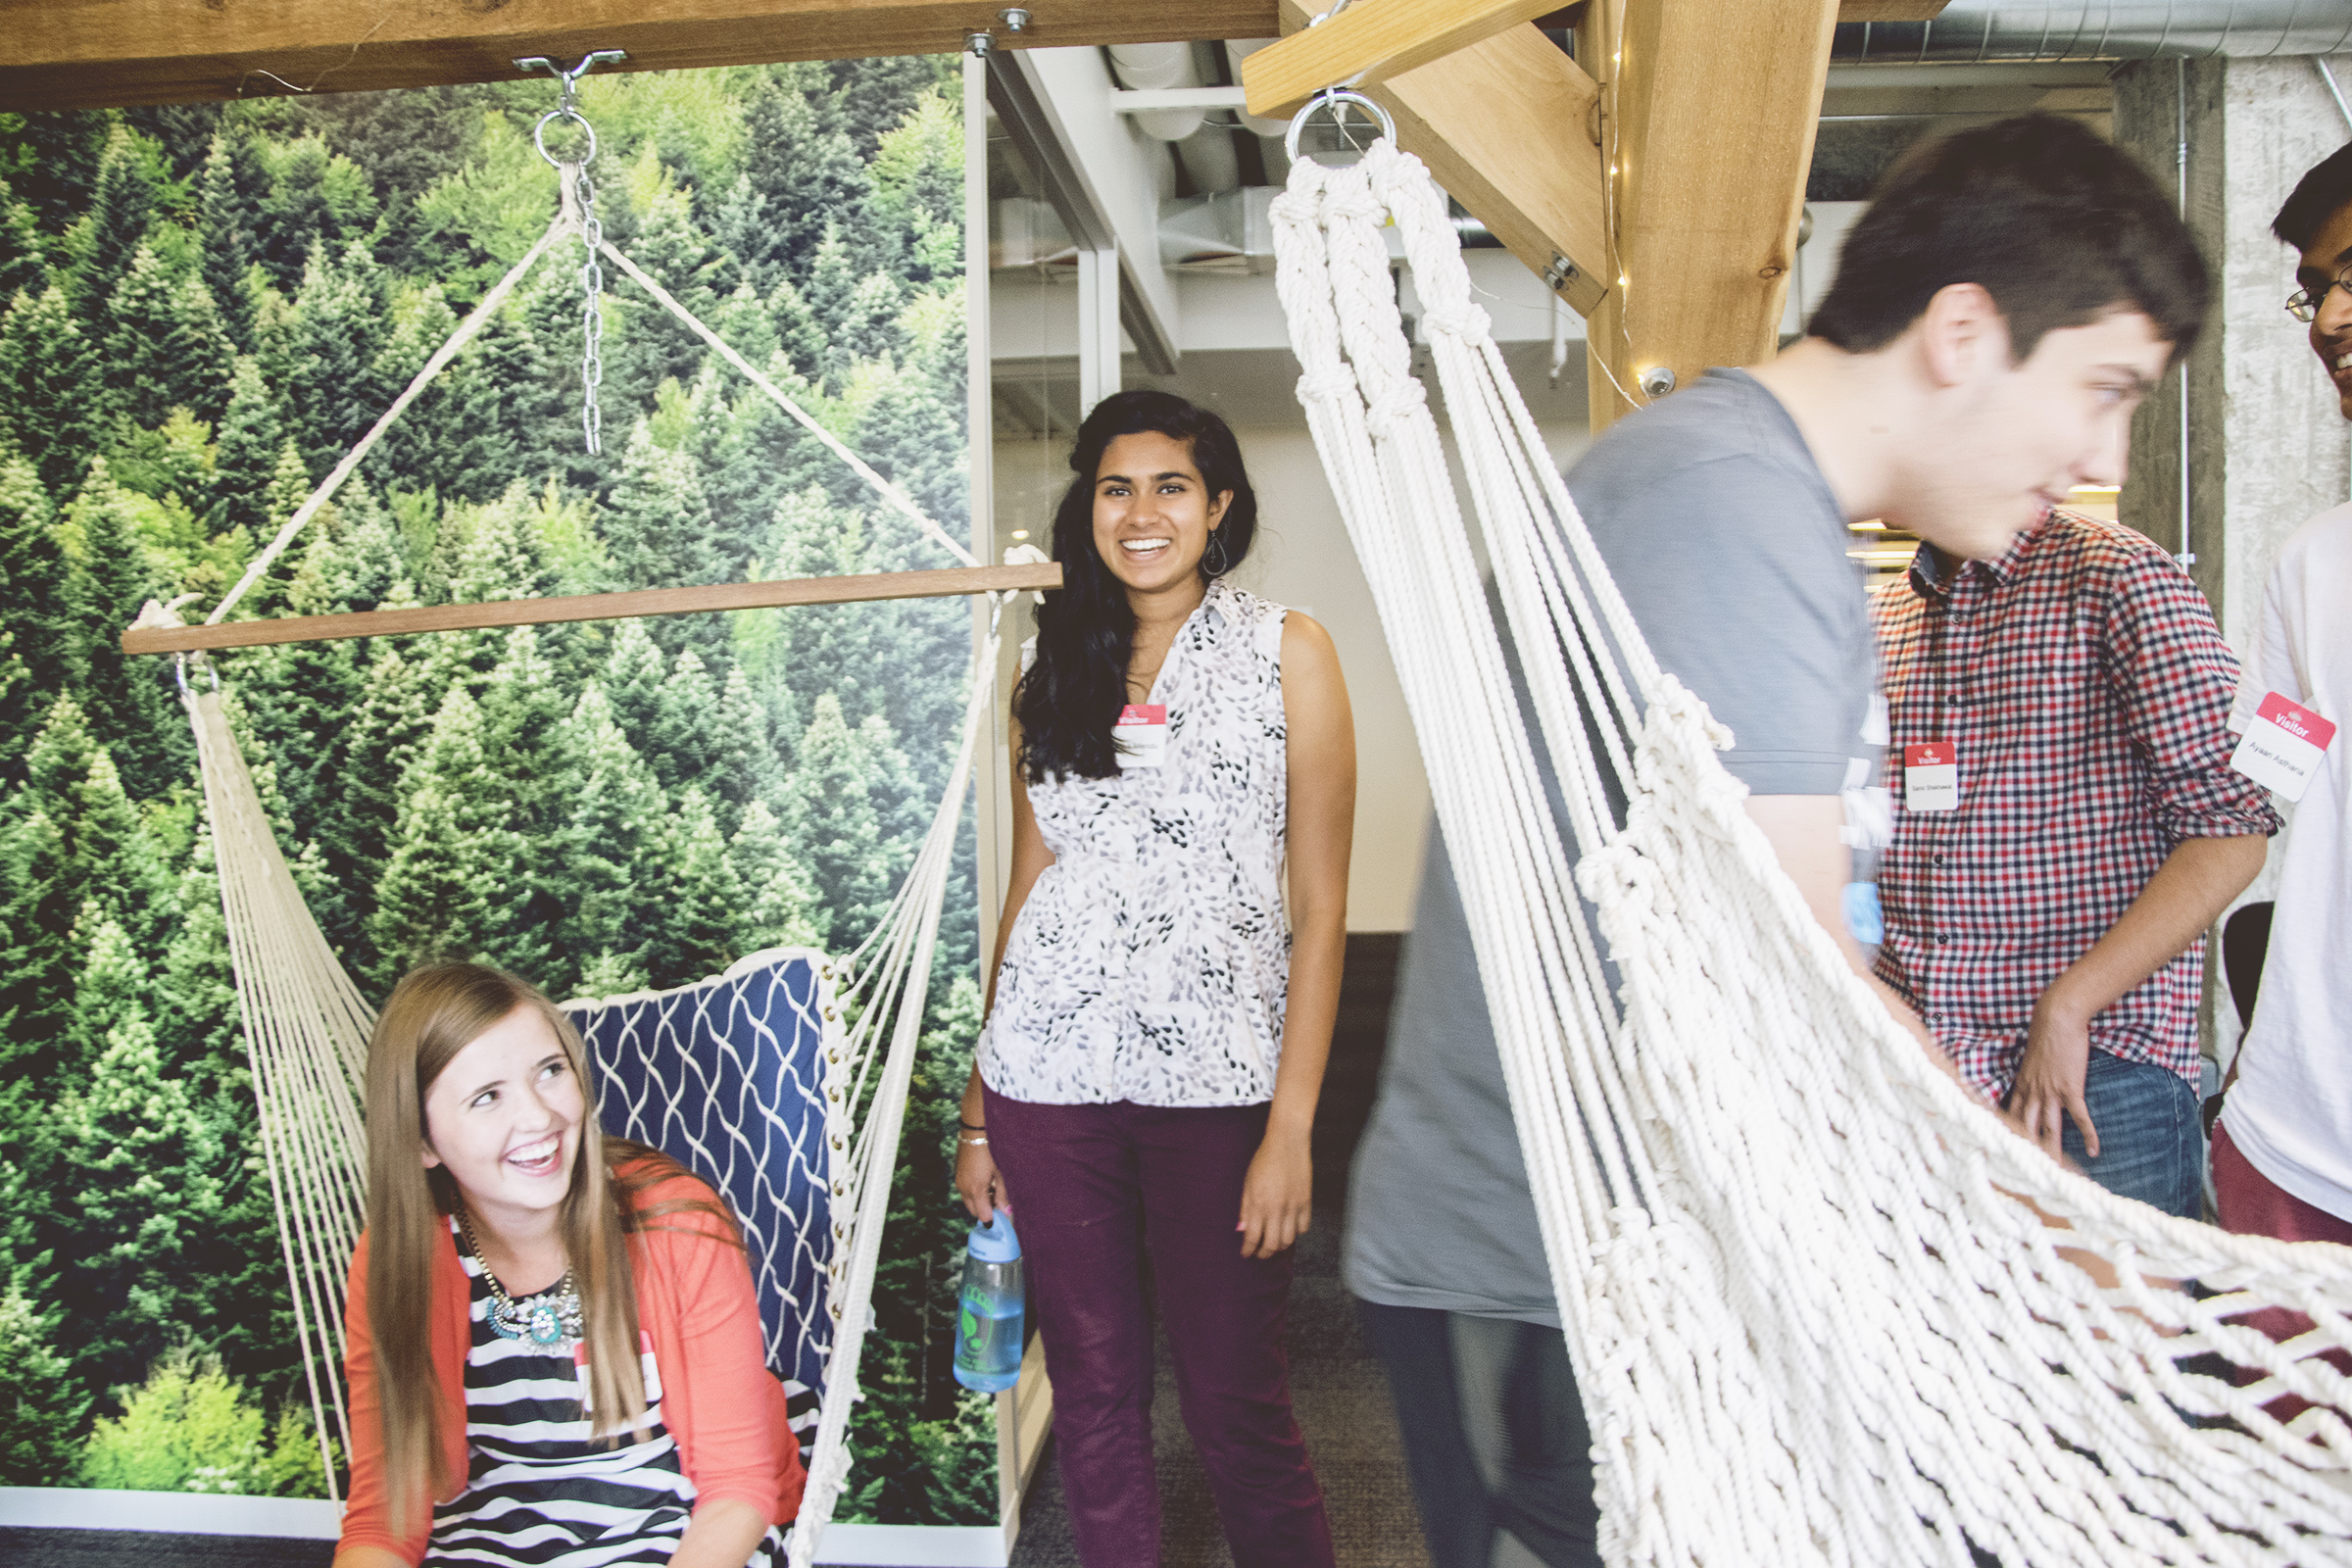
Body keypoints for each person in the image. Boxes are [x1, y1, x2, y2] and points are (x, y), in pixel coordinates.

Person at [1346, 114, 2209, 1568]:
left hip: (1627, 1267)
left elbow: (1805, 959)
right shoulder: (1728, 509)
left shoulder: (1761, 502)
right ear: (1961, 331)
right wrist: (2039, 1234)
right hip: (1549, 1277)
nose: (2102, 452)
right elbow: (1795, 992)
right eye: (2103, 389)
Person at [953, 389, 1356, 1568]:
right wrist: (980, 1109)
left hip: (1222, 1089)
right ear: (1088, 509)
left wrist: (1292, 1127)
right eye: (1115, 488)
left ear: (1218, 506)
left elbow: (1321, 910)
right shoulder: (1053, 657)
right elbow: (1032, 885)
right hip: (1047, 1076)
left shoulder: (1292, 650)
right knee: (1092, 1390)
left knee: (1237, 1401)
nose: (1142, 513)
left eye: (1171, 486)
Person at [1872, 501, 2277, 1219]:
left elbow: (2234, 826)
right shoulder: (1887, 616)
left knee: (2121, 1326)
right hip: (1926, 1066)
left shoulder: (2118, 575)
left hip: (2097, 1070)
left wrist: (2070, 1005)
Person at [334, 962, 805, 1568]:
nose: (539, 1118)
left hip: (678, 1522)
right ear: (422, 1142)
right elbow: (384, 1521)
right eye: (486, 1097)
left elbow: (736, 1488)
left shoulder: (677, 1223)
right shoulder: (398, 1260)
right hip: (487, 1534)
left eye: (550, 1072)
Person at [2209, 143, 2352, 1253]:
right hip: (2299, 1145)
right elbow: (2262, 791)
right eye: (2316, 289)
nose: (2329, 321)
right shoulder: (2314, 569)